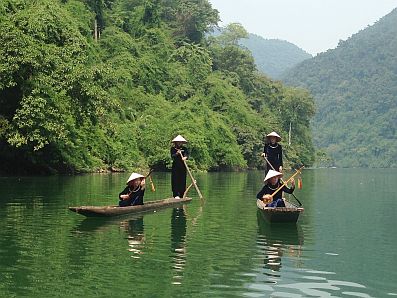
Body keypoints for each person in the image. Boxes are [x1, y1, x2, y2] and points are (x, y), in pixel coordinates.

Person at [170, 135, 189, 199]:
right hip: (175, 167)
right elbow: (172, 156)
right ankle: (176, 194)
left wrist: (185, 157)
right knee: (175, 180)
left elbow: (187, 155)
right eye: (178, 142)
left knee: (182, 180)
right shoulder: (173, 149)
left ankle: (182, 194)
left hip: (183, 167)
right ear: (176, 142)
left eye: (180, 142)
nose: (179, 143)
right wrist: (177, 153)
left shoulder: (184, 149)